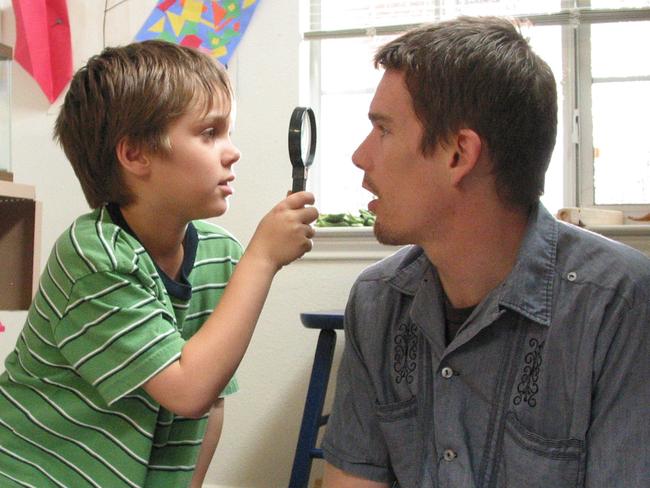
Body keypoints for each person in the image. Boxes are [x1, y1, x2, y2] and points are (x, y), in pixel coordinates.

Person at [321, 16, 650, 488]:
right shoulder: (378, 301)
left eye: (383, 130)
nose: (360, 155)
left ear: (459, 154)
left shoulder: (617, 304)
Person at [0, 40, 318, 487]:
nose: (232, 151)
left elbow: (210, 400)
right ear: (135, 155)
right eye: (210, 133)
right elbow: (187, 389)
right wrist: (262, 258)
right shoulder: (94, 255)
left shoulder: (219, 253)